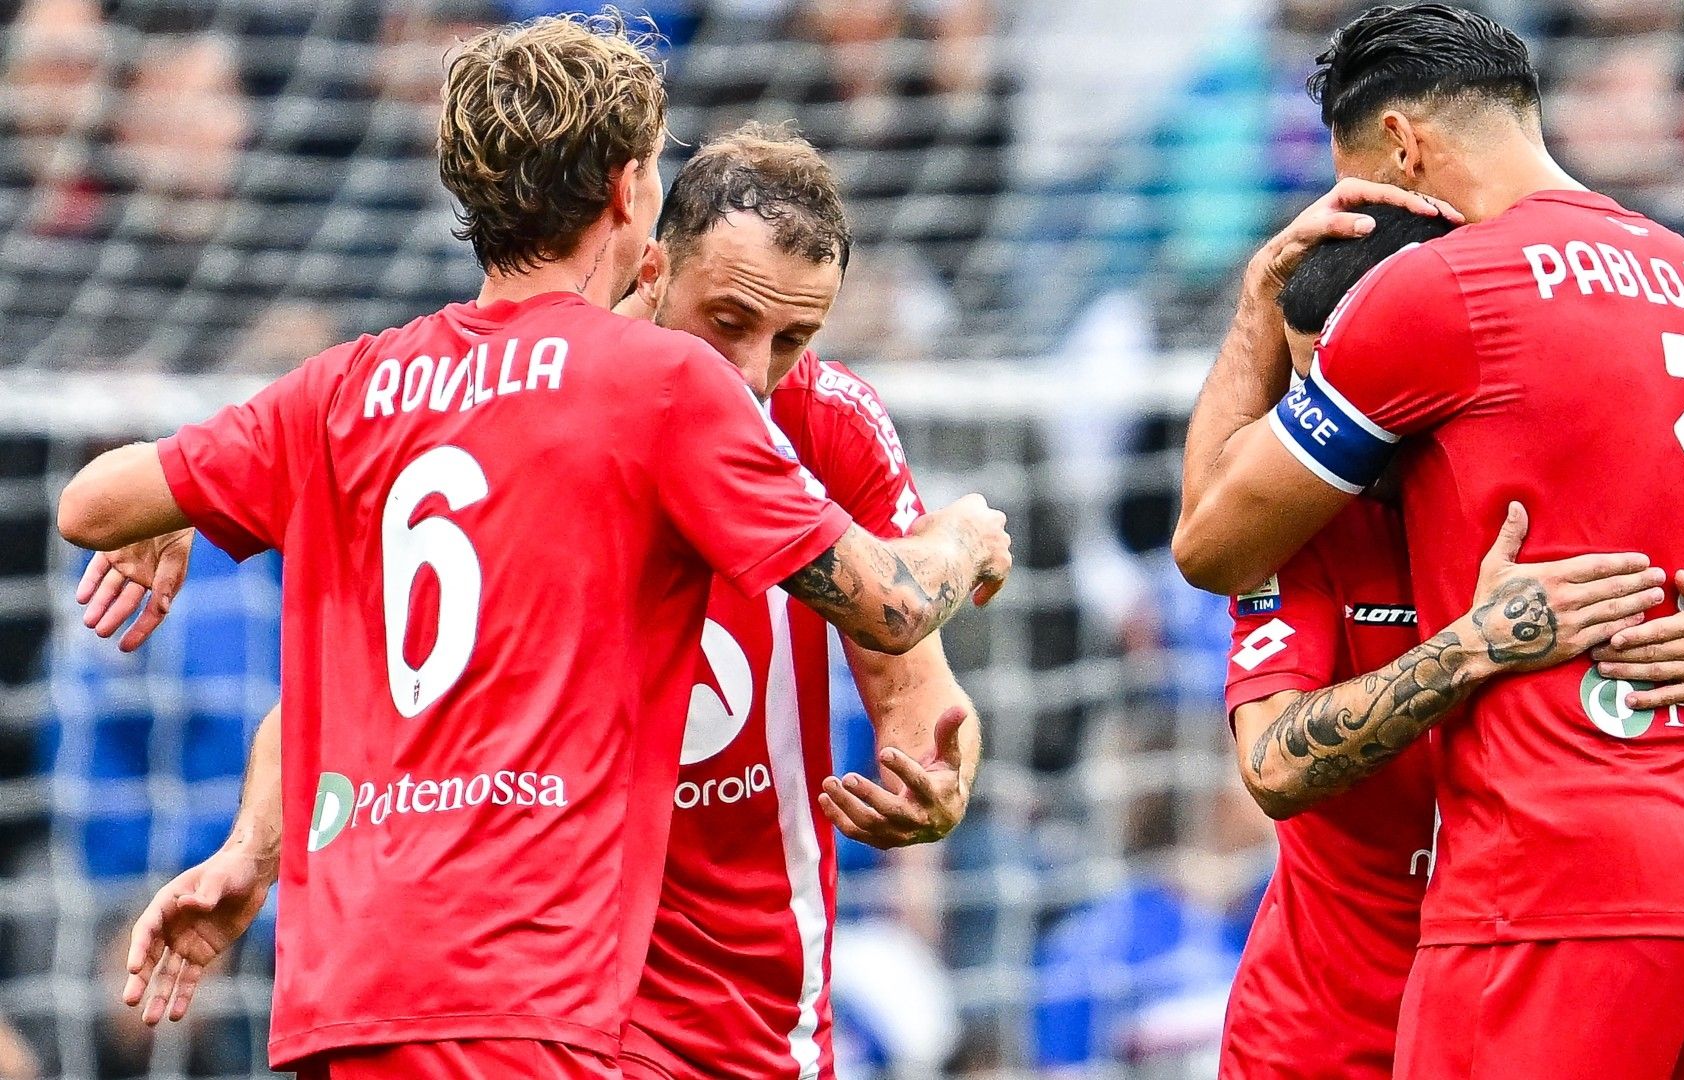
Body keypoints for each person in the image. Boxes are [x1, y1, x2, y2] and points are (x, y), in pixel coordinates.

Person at [56, 14, 1010, 1080]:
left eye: (794, 339)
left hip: (449, 988)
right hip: (540, 988)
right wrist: (963, 536)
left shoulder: (370, 389)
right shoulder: (644, 389)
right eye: (730, 320)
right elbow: (891, 599)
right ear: (642, 218)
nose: (755, 372)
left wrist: (181, 497)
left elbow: (332, 647)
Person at [1176, 6, 1684, 1077]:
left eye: (1358, 192)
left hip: (1551, 890)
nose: (1365, 224)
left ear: (1402, 146)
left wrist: (1261, 309)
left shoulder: (1442, 288)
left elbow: (1210, 545)